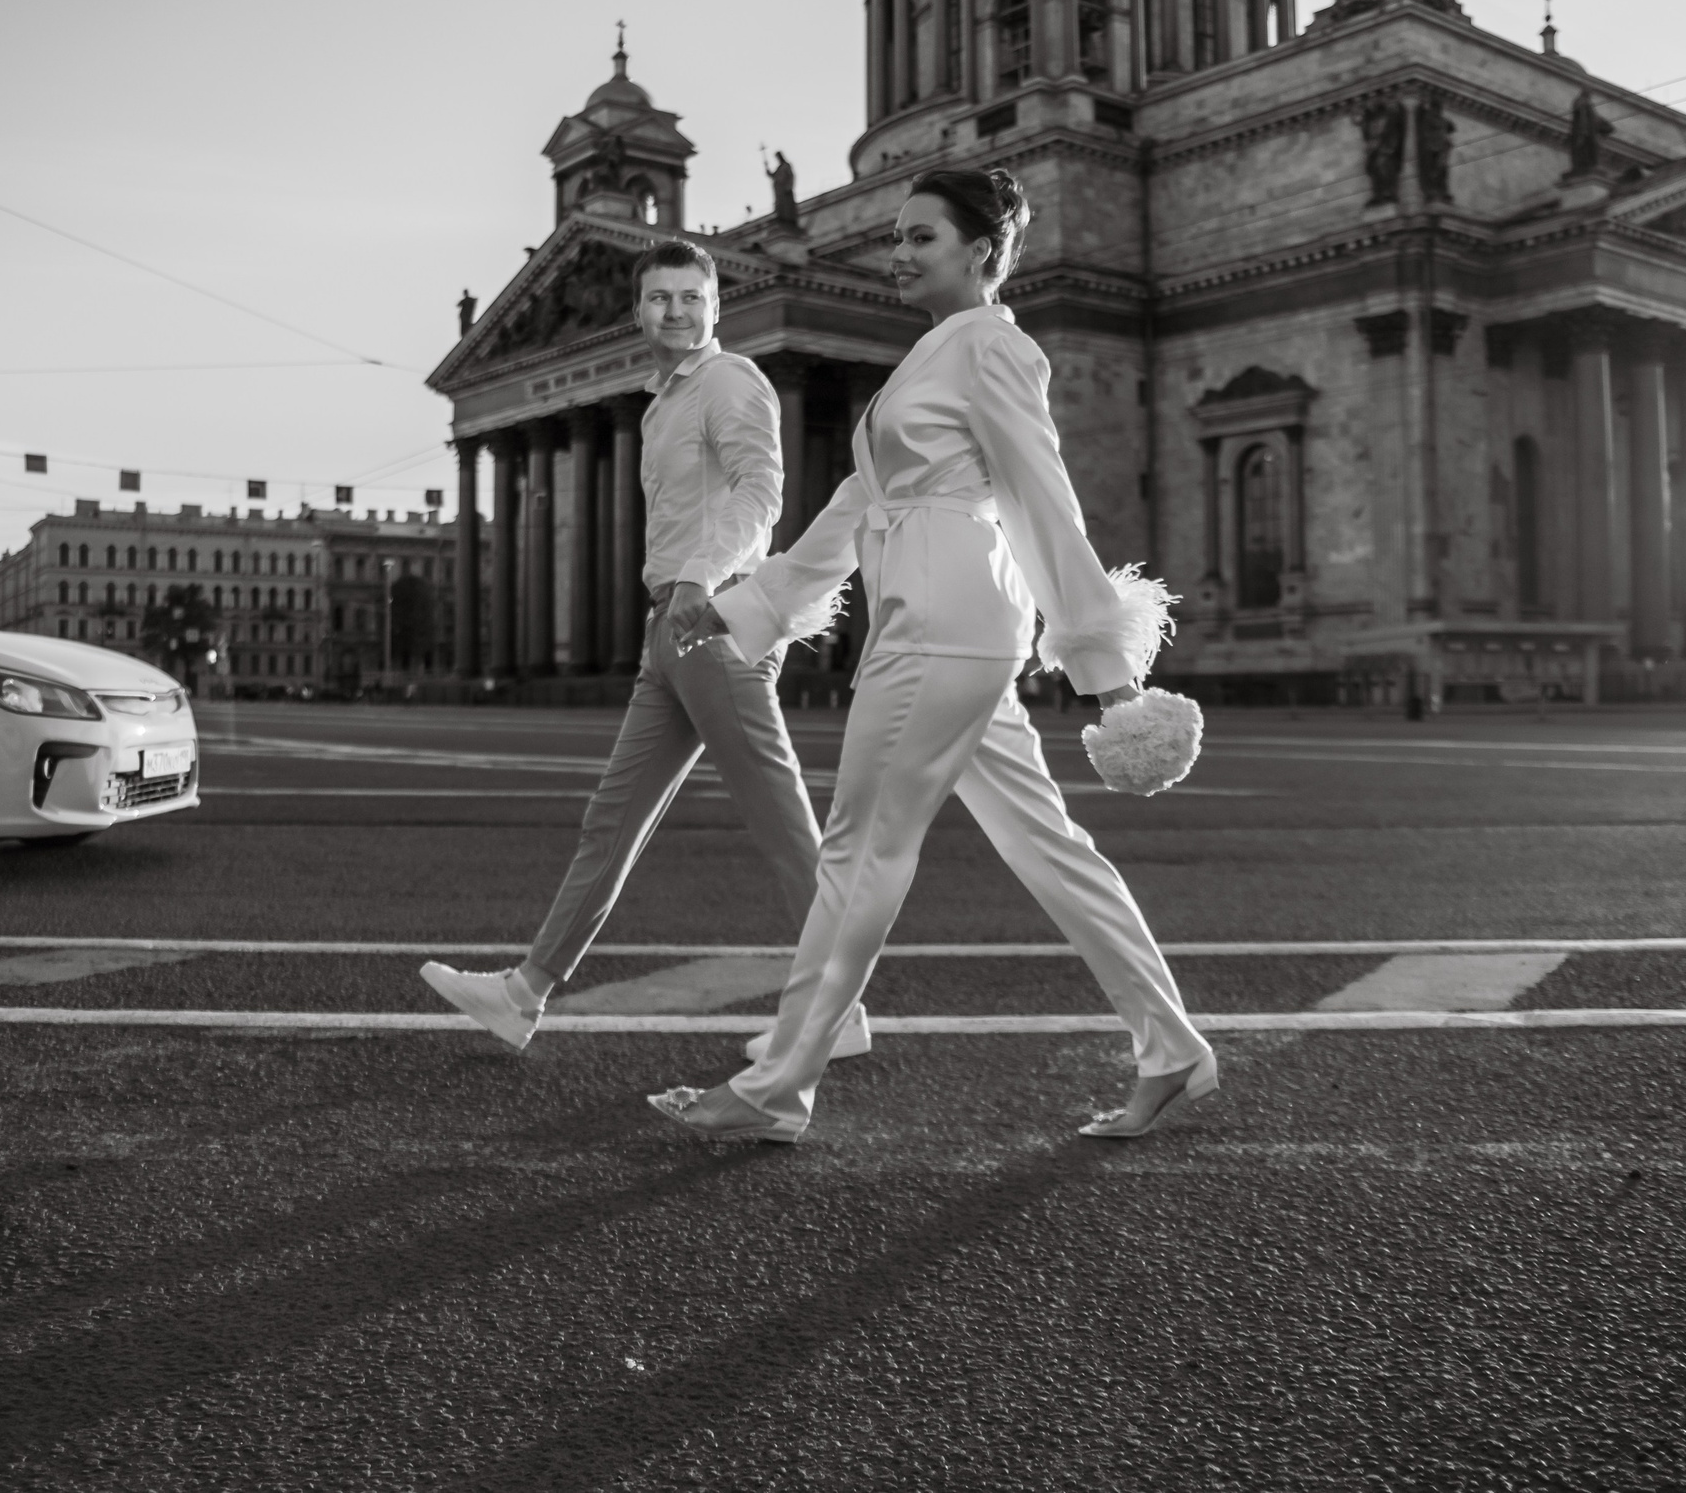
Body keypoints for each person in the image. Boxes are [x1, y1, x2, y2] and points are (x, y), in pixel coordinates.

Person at [646, 168, 1216, 1144]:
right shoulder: (931, 356)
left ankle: (775, 1089)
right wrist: (747, 607)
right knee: (1045, 846)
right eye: (896, 238)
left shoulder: (992, 347)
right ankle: (1172, 1049)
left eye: (921, 238)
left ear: (981, 251)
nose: (898, 255)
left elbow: (1044, 498)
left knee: (861, 849)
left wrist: (1106, 667)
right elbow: (856, 505)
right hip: (940, 618)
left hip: (942, 620)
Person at [418, 239, 872, 1060]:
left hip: (711, 620)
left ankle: (837, 1010)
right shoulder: (662, 404)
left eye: (692, 297)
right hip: (671, 626)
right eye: (661, 298)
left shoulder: (730, 380)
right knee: (613, 818)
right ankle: (524, 993)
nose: (677, 311)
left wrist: (700, 576)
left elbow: (761, 491)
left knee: (780, 820)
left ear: (716, 306)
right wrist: (675, 596)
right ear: (637, 311)